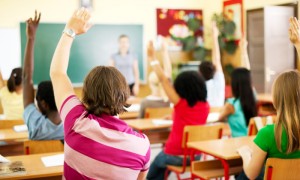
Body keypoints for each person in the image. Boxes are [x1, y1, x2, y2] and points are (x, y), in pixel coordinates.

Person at [50, 8, 150, 179]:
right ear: (124, 95)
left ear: (85, 95)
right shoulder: (142, 145)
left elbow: (58, 73)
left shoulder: (76, 121)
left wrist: (70, 31)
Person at [236, 17, 300, 180]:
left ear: (276, 100)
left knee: (242, 176)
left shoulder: (268, 133)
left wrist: (245, 153)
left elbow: (251, 174)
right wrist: (298, 45)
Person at [147, 41, 209, 180]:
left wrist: (152, 59)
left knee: (154, 168)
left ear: (182, 89)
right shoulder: (206, 106)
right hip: (196, 155)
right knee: (162, 166)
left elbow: (163, 80)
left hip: (175, 154)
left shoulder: (180, 104)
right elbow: (191, 120)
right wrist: (174, 117)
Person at [22, 11, 64, 140]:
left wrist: (31, 38)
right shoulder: (71, 125)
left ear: (44, 104)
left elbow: (26, 77)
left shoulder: (35, 125)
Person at [217, 37, 257, 138]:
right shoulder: (252, 96)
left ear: (234, 84)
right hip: (252, 142)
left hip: (237, 144)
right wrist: (243, 50)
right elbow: (247, 73)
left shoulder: (231, 105)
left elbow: (218, 118)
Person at [138, 41, 171, 118]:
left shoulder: (145, 103)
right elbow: (167, 73)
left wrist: (151, 57)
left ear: (150, 84)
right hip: (165, 130)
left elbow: (139, 120)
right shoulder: (168, 101)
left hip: (148, 130)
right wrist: (164, 52)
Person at [198, 22, 225, 107]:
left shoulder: (199, 88)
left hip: (205, 119)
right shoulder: (219, 82)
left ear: (200, 73)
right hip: (219, 117)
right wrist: (215, 37)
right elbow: (216, 59)